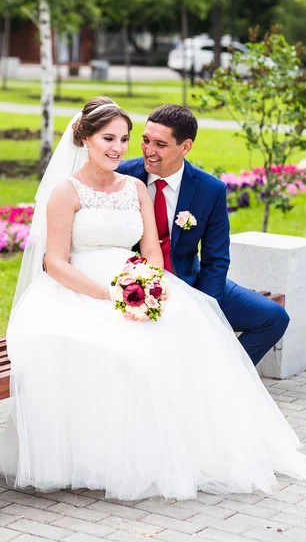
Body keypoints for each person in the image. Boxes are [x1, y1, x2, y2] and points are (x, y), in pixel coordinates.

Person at [0, 97, 306, 501]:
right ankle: (110, 450)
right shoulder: (74, 189)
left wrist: (156, 289)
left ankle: (199, 423)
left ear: (185, 146)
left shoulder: (153, 187)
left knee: (193, 331)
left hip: (149, 281)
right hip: (83, 288)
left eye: (125, 139)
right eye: (114, 138)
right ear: (84, 138)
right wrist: (111, 295)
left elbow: (172, 253)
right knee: (127, 353)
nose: (123, 148)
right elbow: (55, 262)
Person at [117, 104, 289, 366]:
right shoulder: (123, 176)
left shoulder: (210, 189)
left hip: (189, 280)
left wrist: (208, 309)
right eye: (145, 140)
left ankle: (227, 375)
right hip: (132, 285)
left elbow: (216, 258)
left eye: (160, 144)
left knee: (274, 317)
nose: (148, 151)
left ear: (185, 147)